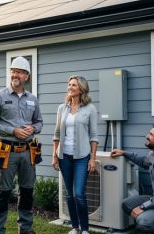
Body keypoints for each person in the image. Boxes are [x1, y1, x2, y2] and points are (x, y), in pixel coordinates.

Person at [0, 56, 43, 234]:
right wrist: (13, 132)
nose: (15, 75)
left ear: (27, 76)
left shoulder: (33, 99)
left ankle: (25, 229)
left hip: (28, 152)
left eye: (19, 72)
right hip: (6, 151)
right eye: (13, 71)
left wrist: (32, 128)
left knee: (27, 191)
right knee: (3, 192)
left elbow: (39, 122)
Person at [52, 75, 98, 234]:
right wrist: (54, 156)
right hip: (64, 157)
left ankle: (85, 229)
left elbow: (94, 136)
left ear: (81, 89)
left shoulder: (90, 108)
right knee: (70, 195)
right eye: (69, 85)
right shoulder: (61, 108)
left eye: (73, 85)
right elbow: (57, 133)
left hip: (82, 157)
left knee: (79, 194)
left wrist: (92, 158)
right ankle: (75, 227)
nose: (70, 87)